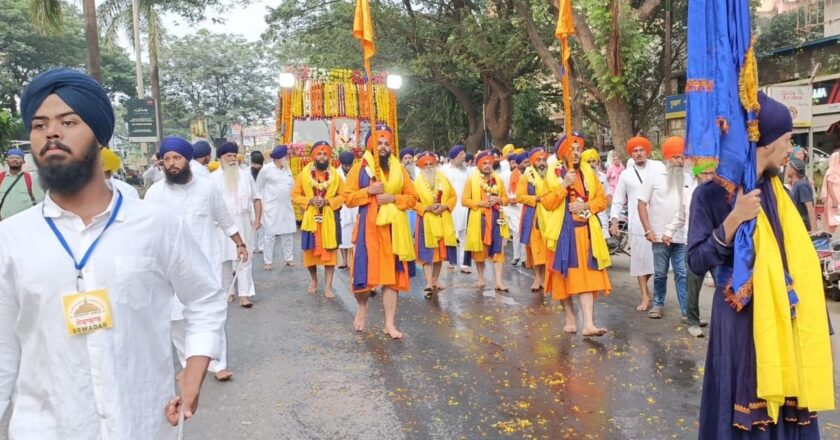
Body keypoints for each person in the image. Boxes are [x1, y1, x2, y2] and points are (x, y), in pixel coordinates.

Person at [0, 67, 226, 437]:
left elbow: (204, 299)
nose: (51, 133)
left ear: (99, 135)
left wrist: (195, 370)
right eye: (39, 125)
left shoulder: (156, 225)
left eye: (68, 121)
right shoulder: (11, 239)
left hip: (141, 423)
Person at [689, 92, 834, 437]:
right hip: (740, 319)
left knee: (785, 404)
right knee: (751, 410)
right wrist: (734, 220)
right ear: (767, 142)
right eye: (787, 139)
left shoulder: (776, 189)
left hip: (784, 315)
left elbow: (793, 258)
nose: (791, 148)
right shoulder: (710, 194)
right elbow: (695, 261)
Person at [145, 135, 246, 382]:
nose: (171, 163)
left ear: (187, 159)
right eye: (167, 159)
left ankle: (219, 363)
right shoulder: (155, 193)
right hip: (169, 266)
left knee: (211, 313)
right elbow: (145, 229)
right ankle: (187, 363)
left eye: (176, 157)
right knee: (176, 318)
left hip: (205, 261)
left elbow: (224, 218)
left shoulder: (207, 187)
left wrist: (240, 244)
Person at [343, 125, 417, 339]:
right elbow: (347, 198)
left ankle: (389, 324)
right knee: (364, 276)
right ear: (370, 145)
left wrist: (393, 198)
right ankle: (362, 309)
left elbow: (412, 198)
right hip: (369, 230)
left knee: (391, 279)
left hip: (394, 231)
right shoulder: (360, 168)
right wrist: (369, 191)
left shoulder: (399, 168)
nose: (383, 147)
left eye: (386, 143)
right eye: (379, 143)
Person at [542, 135, 611, 336]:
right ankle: (570, 317)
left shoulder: (589, 172)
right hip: (561, 233)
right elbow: (547, 203)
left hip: (586, 231)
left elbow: (601, 200)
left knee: (587, 277)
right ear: (563, 153)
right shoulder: (553, 174)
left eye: (579, 149)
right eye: (572, 149)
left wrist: (585, 205)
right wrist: (564, 185)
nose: (576, 152)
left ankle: (588, 323)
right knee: (563, 277)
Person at [637, 136, 688, 320]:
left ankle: (686, 310)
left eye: (682, 157)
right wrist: (648, 230)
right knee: (660, 273)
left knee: (682, 273)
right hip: (658, 236)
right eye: (675, 157)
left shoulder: (689, 177)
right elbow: (641, 204)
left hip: (682, 236)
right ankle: (658, 304)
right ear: (667, 158)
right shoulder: (654, 177)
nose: (679, 161)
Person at [610, 136, 662, 312]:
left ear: (647, 151)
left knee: (657, 260)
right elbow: (618, 199)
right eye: (635, 151)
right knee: (640, 260)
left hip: (657, 219)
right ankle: (645, 296)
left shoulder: (658, 167)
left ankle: (653, 294)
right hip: (637, 223)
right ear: (630, 154)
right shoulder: (626, 175)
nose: (639, 154)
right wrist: (614, 221)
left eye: (641, 150)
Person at [665, 160, 715, 337]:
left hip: (716, 245)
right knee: (693, 285)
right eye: (705, 173)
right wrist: (669, 231)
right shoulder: (687, 193)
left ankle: (724, 321)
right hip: (694, 245)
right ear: (697, 174)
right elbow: (680, 217)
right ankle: (693, 321)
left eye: (711, 173)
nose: (708, 177)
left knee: (723, 283)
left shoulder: (720, 192)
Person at [211, 142, 262, 308]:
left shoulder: (246, 175)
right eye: (228, 156)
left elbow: (256, 198)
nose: (232, 159)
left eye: (234, 156)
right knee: (224, 260)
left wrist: (257, 220)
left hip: (243, 222)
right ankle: (228, 291)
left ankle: (245, 294)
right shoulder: (212, 179)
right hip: (220, 226)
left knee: (244, 259)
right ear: (220, 158)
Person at [292, 141, 344, 298]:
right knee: (310, 253)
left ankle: (328, 286)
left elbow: (344, 196)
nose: (322, 157)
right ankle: (314, 280)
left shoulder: (335, 175)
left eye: (325, 154)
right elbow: (295, 195)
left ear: (329, 156)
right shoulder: (304, 174)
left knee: (330, 253)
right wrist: (309, 200)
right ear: (314, 156)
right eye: (319, 154)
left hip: (329, 219)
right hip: (311, 220)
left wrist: (328, 201)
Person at [463, 150, 510, 291]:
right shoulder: (472, 180)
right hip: (480, 219)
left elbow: (506, 199)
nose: (488, 165)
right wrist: (480, 204)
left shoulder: (498, 180)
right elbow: (464, 201)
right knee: (479, 251)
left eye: (490, 162)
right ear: (478, 165)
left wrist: (498, 199)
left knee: (498, 251)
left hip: (496, 218)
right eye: (485, 163)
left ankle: (498, 281)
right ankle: (481, 278)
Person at [413, 151, 458, 295]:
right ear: (420, 167)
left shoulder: (444, 179)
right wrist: (426, 208)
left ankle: (435, 279)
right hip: (426, 220)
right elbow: (412, 201)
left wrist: (444, 206)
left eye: (430, 164)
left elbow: (453, 196)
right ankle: (428, 282)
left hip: (442, 218)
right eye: (425, 164)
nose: (428, 167)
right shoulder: (416, 183)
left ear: (435, 164)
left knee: (440, 252)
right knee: (428, 252)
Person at [256, 145, 297, 270]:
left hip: (286, 207)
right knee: (270, 235)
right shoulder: (266, 170)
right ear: (280, 158)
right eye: (286, 156)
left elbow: (292, 186)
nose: (288, 158)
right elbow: (258, 188)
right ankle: (268, 261)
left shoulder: (287, 169)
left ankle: (289, 258)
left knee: (288, 233)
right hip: (271, 208)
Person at [516, 147, 550, 292]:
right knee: (536, 249)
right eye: (539, 160)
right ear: (533, 162)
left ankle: (548, 278)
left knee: (548, 247)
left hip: (549, 216)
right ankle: (538, 278)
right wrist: (536, 199)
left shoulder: (552, 175)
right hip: (533, 215)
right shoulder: (526, 177)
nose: (542, 163)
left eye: (544, 160)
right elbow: (519, 197)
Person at [441, 144, 472, 273]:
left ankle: (464, 264)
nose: (464, 157)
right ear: (454, 157)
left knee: (464, 234)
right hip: (450, 205)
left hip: (464, 205)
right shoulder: (444, 170)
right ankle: (451, 261)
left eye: (464, 154)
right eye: (461, 155)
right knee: (451, 233)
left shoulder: (467, 171)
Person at [0, 148, 43, 220]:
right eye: (11, 158)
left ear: (23, 162)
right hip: (3, 224)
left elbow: (40, 203)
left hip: (25, 222)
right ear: (7, 161)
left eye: (18, 158)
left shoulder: (31, 178)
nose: (15, 160)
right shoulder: (1, 178)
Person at [337, 150, 358, 269]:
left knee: (353, 235)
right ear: (341, 164)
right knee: (342, 235)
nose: (348, 167)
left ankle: (352, 260)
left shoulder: (356, 172)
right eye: (345, 165)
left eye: (350, 165)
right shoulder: (336, 173)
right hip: (342, 207)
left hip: (354, 206)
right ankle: (344, 261)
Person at [785, 158, 817, 232]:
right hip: (798, 222)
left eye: (788, 166)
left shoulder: (802, 185)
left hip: (804, 224)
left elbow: (809, 207)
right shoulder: (795, 184)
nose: (786, 168)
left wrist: (814, 230)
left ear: (794, 170)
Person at [505, 153, 524, 266]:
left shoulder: (530, 175)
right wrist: (511, 199)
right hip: (513, 207)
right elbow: (506, 192)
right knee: (517, 231)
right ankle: (517, 256)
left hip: (526, 205)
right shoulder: (510, 175)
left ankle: (525, 258)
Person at [820, 150, 840, 233]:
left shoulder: (838, 170)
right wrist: (834, 200)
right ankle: (829, 236)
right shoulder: (831, 171)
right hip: (833, 199)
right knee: (833, 219)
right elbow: (830, 187)